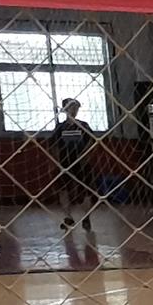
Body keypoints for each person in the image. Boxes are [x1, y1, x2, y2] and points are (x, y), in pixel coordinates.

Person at [50, 99, 95, 236]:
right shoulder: (60, 127)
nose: (74, 110)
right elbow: (53, 145)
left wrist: (85, 156)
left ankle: (86, 217)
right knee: (63, 190)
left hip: (81, 163)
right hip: (65, 163)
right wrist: (57, 162)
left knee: (86, 191)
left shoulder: (84, 125)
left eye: (76, 108)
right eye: (71, 108)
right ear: (65, 109)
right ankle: (68, 217)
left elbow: (92, 141)